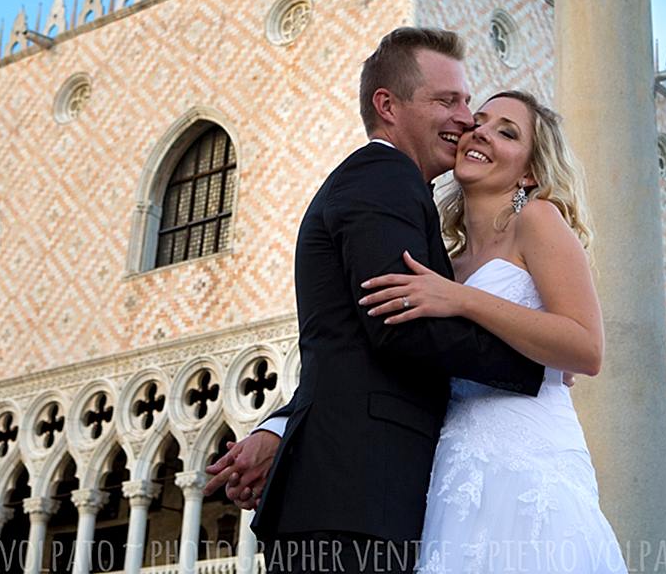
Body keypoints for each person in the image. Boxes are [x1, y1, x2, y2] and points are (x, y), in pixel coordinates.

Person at [202, 28, 545, 573]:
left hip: (357, 493)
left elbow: (350, 343)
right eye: (446, 100)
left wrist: (278, 427)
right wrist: (534, 366)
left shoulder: (392, 186)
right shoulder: (383, 179)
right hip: (357, 498)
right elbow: (398, 324)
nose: (466, 118)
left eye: (465, 101)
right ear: (388, 105)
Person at [359, 90, 627, 573]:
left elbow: (587, 348)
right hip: (455, 467)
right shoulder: (446, 260)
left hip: (530, 461)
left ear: (528, 172)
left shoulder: (538, 219)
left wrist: (461, 299)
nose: (481, 132)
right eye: (478, 122)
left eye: (507, 132)